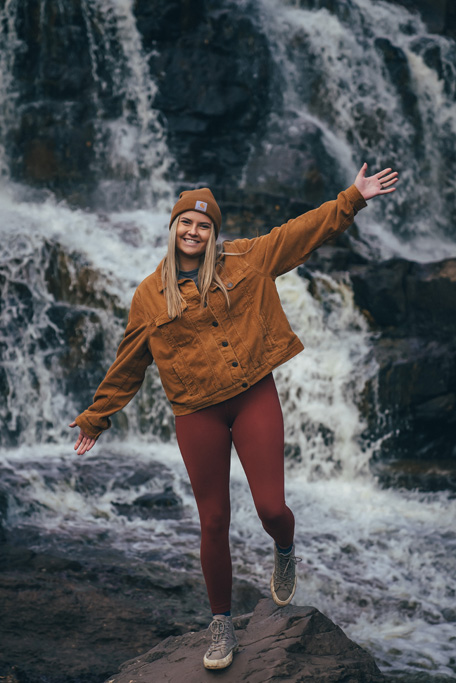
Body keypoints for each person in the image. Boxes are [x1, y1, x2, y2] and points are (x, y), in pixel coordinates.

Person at [70, 162, 398, 670]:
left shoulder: (246, 259)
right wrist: (97, 416)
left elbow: (300, 233)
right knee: (213, 521)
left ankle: (284, 547)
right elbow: (129, 362)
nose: (194, 231)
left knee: (271, 508)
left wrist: (352, 196)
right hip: (196, 412)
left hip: (251, 395)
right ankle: (221, 624)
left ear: (213, 233)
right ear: (174, 227)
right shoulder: (149, 296)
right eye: (186, 222)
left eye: (204, 225)